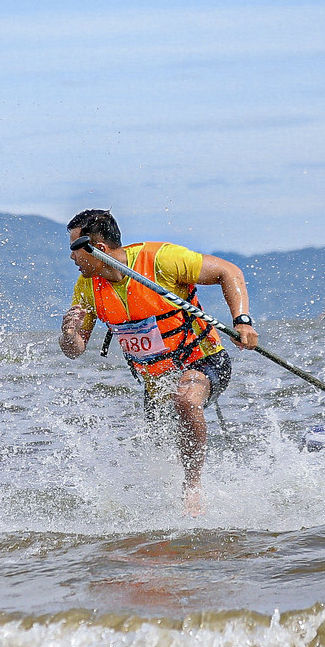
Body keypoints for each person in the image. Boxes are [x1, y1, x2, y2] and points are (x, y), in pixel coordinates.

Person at [59, 209, 259, 516]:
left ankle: (192, 492)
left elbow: (228, 271)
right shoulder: (87, 287)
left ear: (97, 248)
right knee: (158, 445)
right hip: (157, 381)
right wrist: (69, 332)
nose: (71, 258)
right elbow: (75, 349)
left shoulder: (160, 260)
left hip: (204, 360)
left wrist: (242, 321)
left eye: (75, 248)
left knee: (185, 400)